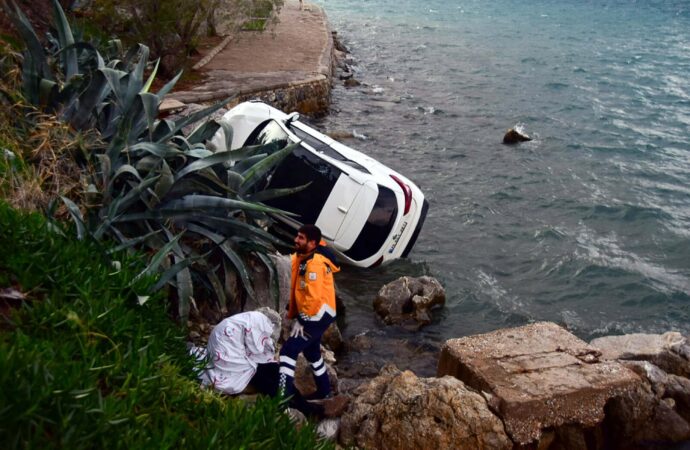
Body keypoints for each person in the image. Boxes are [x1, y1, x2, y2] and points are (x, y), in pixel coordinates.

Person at [279, 224, 345, 409]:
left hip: (316, 315)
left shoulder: (314, 264)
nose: (296, 240)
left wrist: (302, 319)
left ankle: (282, 398)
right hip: (320, 314)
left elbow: (314, 297)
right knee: (312, 352)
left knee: (288, 352)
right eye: (297, 236)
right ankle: (324, 391)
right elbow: (295, 263)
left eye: (301, 238)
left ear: (312, 242)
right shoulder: (306, 255)